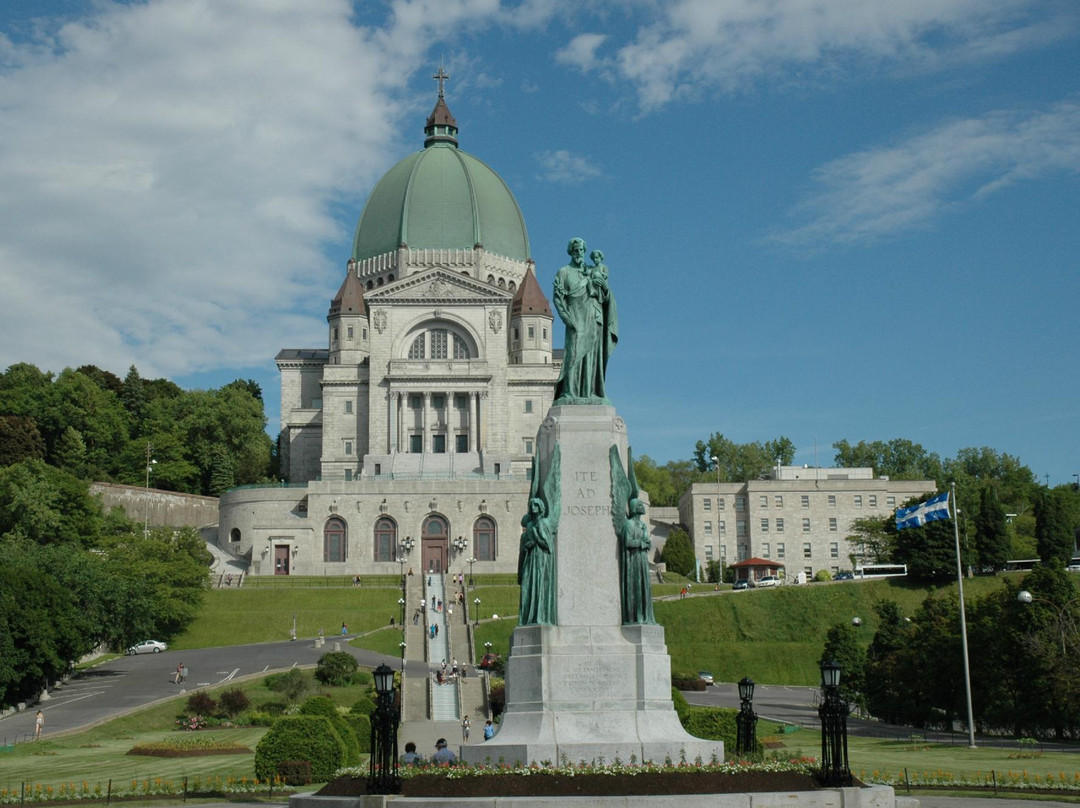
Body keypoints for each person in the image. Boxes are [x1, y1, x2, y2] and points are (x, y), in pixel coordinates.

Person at [552, 237, 617, 403]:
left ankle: (591, 392)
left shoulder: (592, 271)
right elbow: (558, 298)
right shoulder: (564, 272)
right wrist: (567, 319)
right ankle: (569, 392)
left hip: (593, 317)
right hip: (575, 318)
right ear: (570, 252)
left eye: (581, 250)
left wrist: (605, 287)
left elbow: (605, 297)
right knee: (573, 355)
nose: (579, 253)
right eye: (575, 250)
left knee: (592, 356)